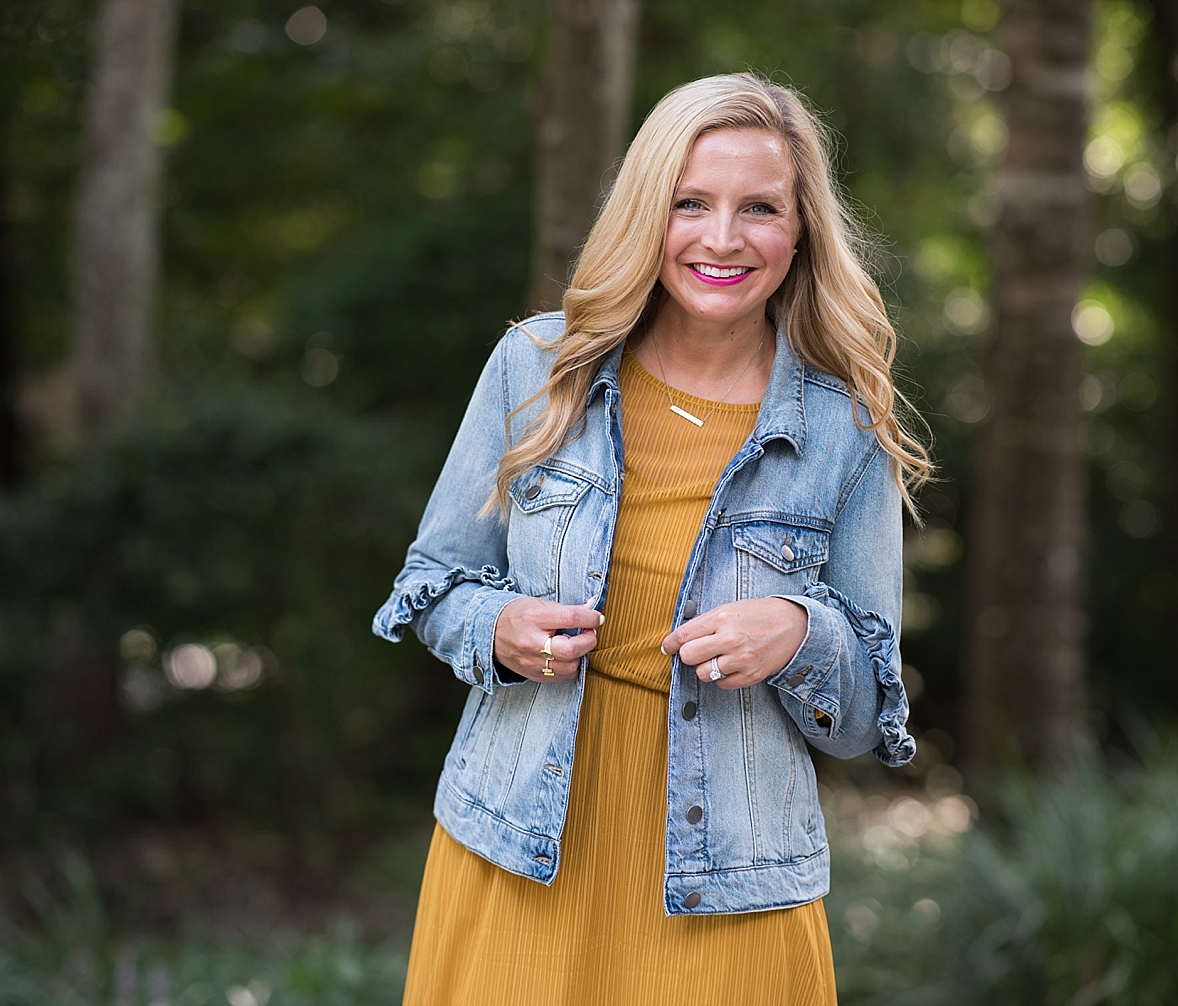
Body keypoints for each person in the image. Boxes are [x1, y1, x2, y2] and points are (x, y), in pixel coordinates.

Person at [373, 72, 931, 1006]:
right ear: (648, 213)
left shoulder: (846, 430)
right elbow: (432, 583)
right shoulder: (536, 368)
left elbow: (872, 714)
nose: (722, 238)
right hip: (516, 854)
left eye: (759, 207)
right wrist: (499, 629)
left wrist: (801, 635)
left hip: (734, 888)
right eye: (691, 203)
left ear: (799, 232)